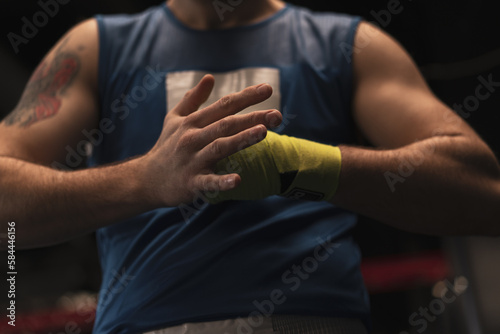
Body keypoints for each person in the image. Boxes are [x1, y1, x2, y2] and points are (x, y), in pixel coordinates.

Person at [1, 0, 499, 333]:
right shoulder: (96, 47)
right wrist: (145, 180)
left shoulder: (347, 44)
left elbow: (482, 192)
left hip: (316, 320)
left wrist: (299, 164)